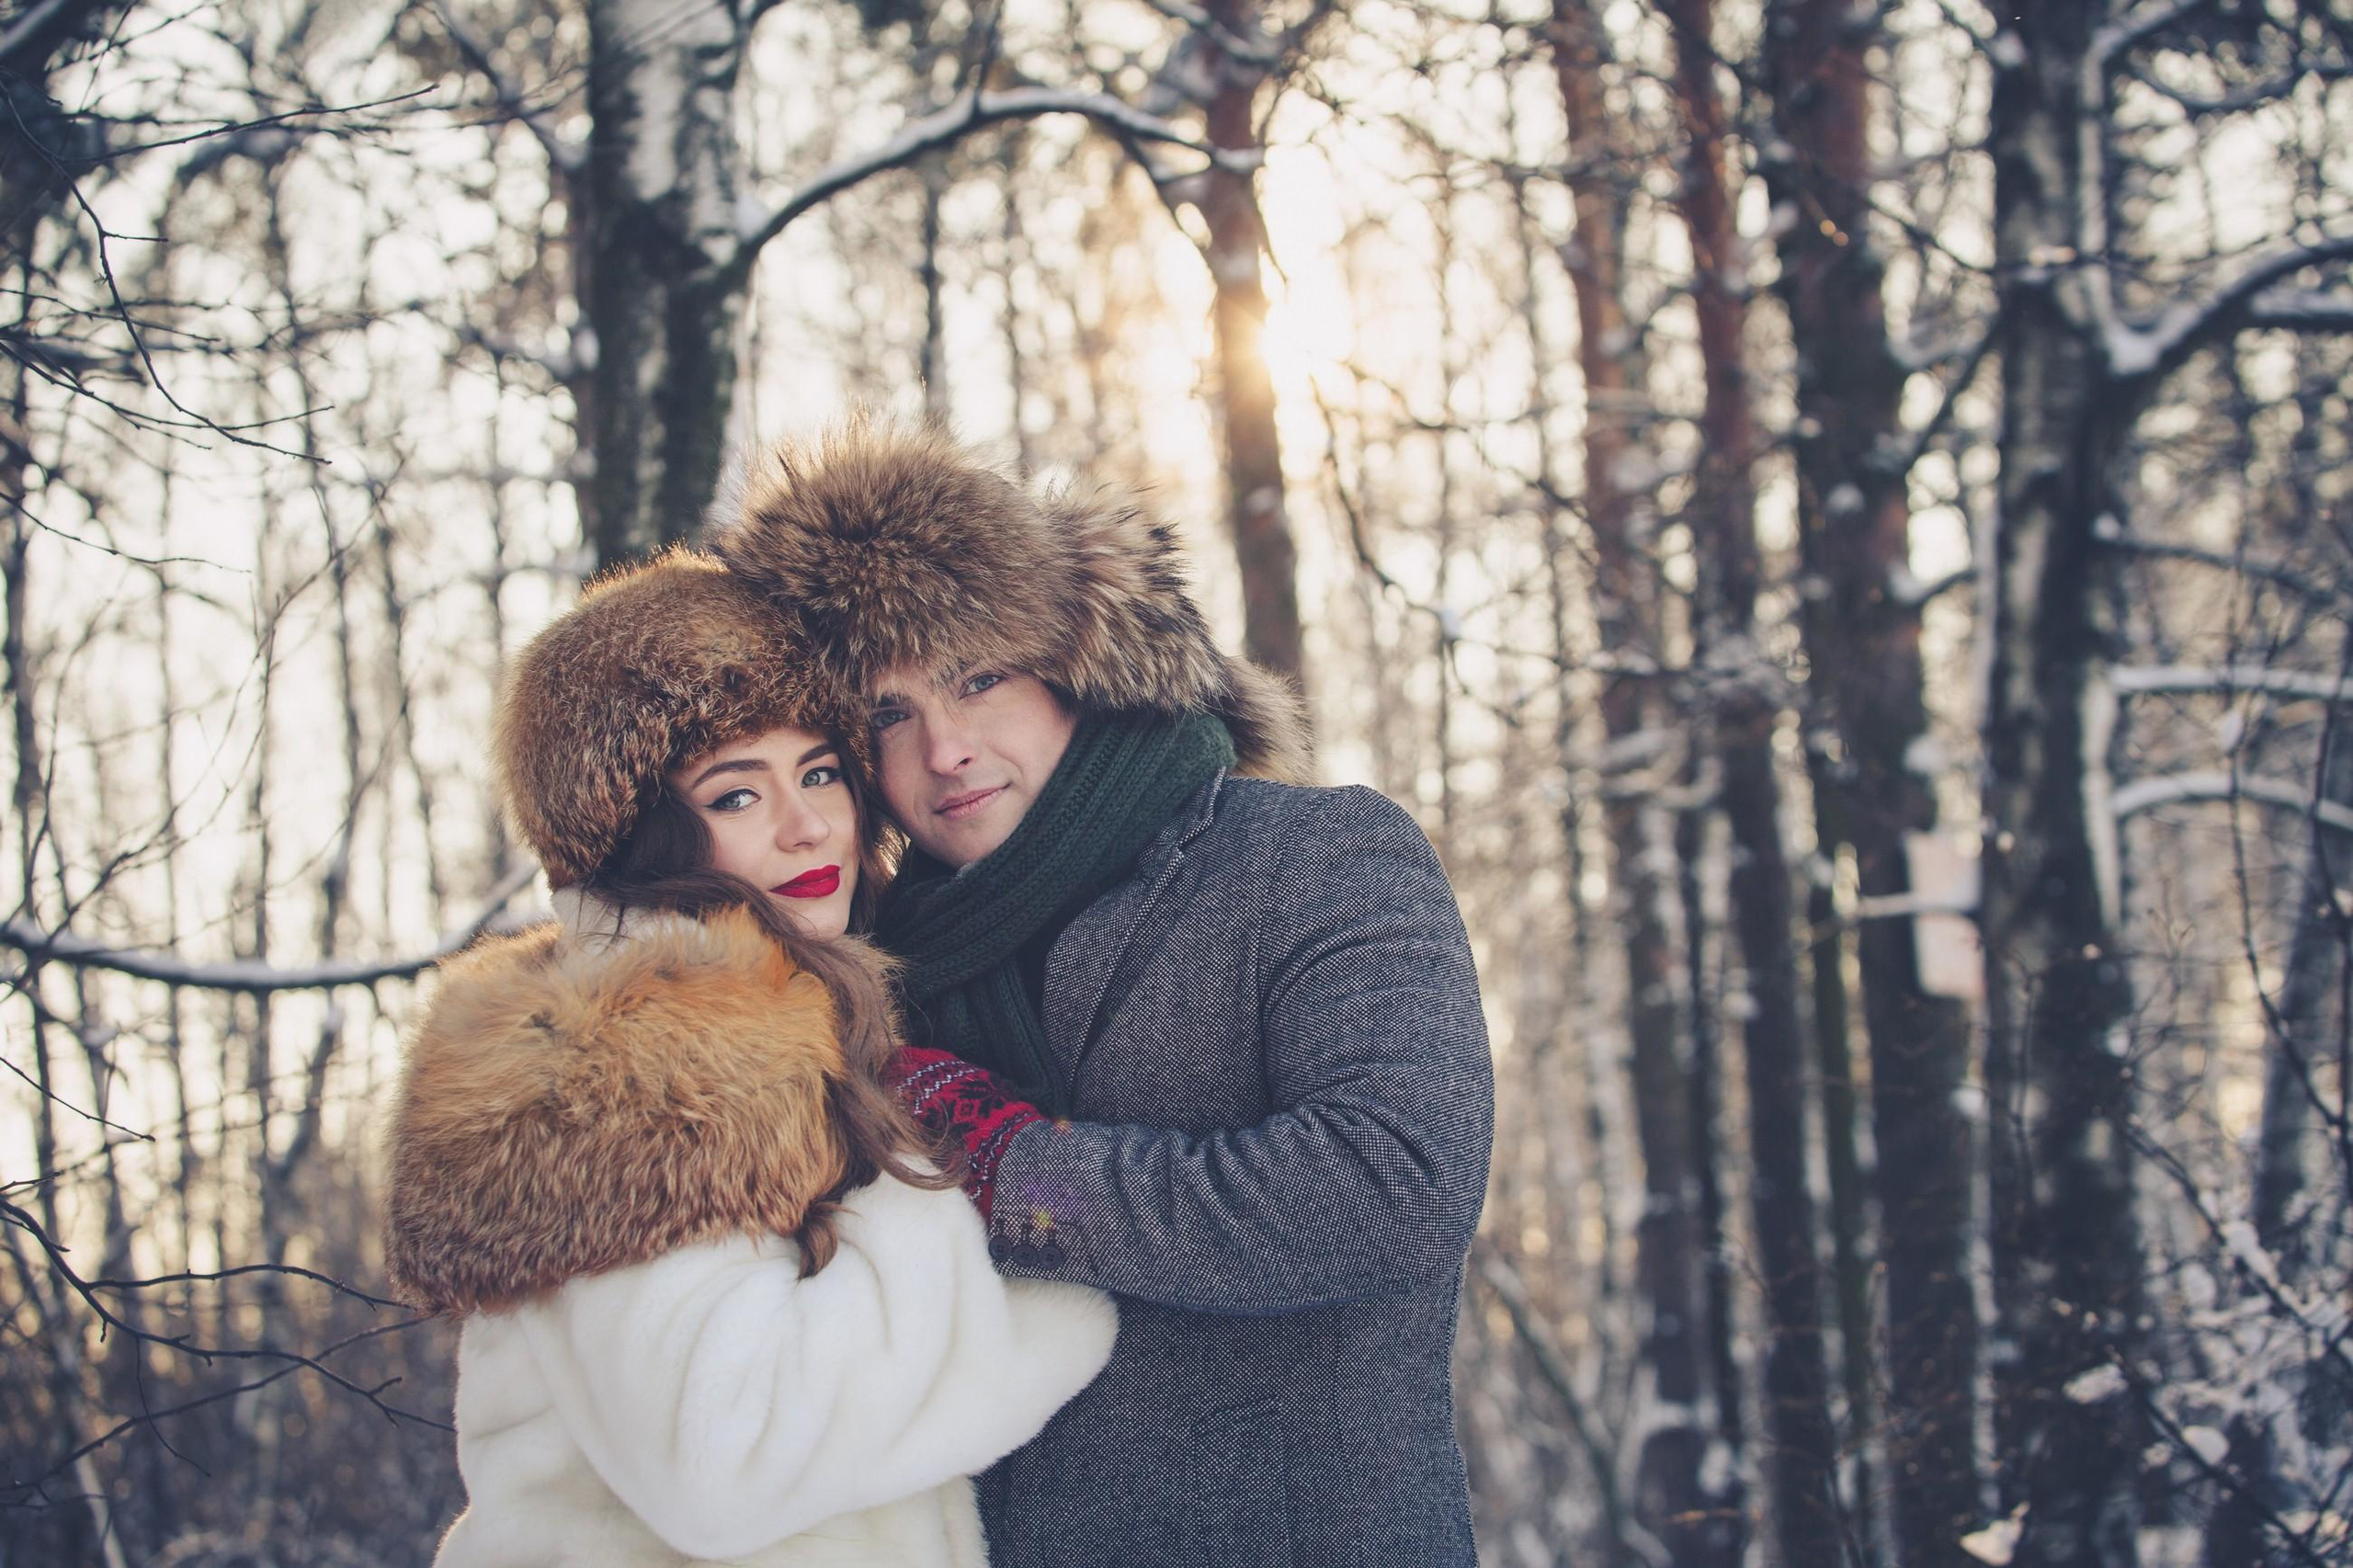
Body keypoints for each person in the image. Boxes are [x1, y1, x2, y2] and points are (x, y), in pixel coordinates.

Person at [708, 419, 1496, 1568]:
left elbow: (1391, 1186)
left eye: (977, 679)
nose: (946, 749)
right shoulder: (871, 970)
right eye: (888, 714)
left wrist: (1009, 1168)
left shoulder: (1313, 857)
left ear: (1071, 669)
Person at [380, 552, 1116, 1568]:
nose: (807, 822)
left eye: (819, 772)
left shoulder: (796, 1019)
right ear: (642, 833)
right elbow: (725, 1456)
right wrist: (1042, 1263)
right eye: (735, 795)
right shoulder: (639, 1050)